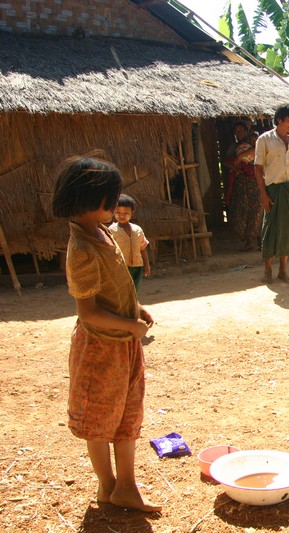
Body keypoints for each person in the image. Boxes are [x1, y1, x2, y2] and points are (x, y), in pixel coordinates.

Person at [51, 155, 160, 513]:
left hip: (123, 344)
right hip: (100, 347)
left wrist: (135, 309)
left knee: (127, 416)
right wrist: (130, 325)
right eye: (111, 198)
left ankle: (126, 485)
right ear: (89, 198)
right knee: (100, 420)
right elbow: (88, 311)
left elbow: (117, 286)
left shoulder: (102, 233)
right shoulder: (81, 248)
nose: (116, 205)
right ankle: (107, 484)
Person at [254, 104, 289, 283]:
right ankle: (268, 270)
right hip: (272, 189)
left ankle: (283, 271)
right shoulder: (264, 140)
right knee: (269, 228)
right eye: (288, 120)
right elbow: (258, 167)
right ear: (279, 120)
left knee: (287, 228)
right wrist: (263, 194)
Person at [228, 130, 263, 252]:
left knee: (258, 213)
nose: (254, 141)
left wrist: (240, 156)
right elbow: (227, 161)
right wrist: (238, 168)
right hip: (244, 185)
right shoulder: (241, 149)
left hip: (258, 186)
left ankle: (260, 242)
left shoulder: (260, 149)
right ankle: (249, 242)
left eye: (256, 139)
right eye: (252, 139)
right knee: (245, 212)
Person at [108, 194, 150, 294]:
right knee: (123, 292)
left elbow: (142, 248)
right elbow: (109, 251)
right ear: (113, 212)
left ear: (132, 213)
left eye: (126, 213)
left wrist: (146, 264)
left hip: (137, 266)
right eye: (118, 212)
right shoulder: (112, 230)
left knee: (135, 291)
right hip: (120, 268)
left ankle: (133, 308)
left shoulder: (137, 230)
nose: (121, 216)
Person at [223, 121, 251, 212]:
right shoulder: (233, 146)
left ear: (246, 131)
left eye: (241, 130)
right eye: (237, 131)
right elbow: (226, 162)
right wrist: (238, 170)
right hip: (239, 178)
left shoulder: (253, 144)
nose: (239, 133)